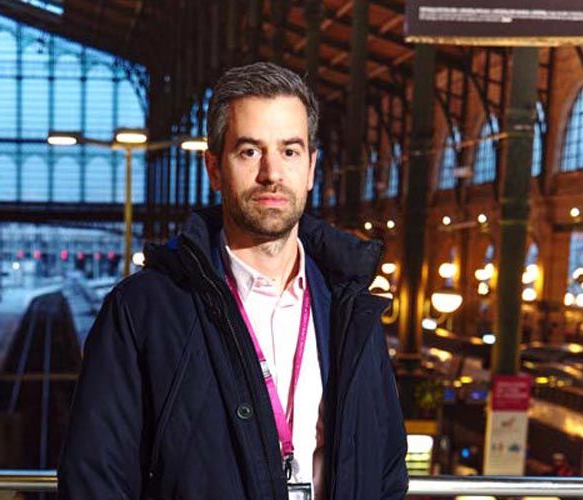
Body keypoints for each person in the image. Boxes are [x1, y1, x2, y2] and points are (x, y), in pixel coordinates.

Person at [59, 62, 407, 499]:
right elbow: (95, 482)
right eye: (249, 151)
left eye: (290, 151)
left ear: (311, 168)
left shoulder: (350, 309)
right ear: (214, 169)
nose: (271, 173)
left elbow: (388, 469)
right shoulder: (142, 311)